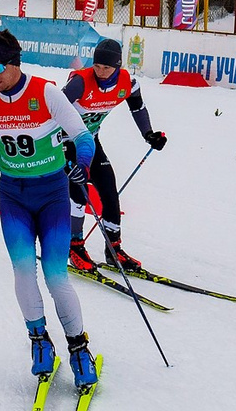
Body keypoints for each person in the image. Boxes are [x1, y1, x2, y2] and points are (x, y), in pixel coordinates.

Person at [0, 26, 98, 392]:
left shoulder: (46, 93)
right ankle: (39, 341)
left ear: (15, 64)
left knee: (55, 274)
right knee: (22, 270)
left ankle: (79, 348)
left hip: (51, 195)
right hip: (13, 195)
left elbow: (83, 136)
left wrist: (83, 164)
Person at [61, 38, 167, 275]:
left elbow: (137, 108)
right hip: (64, 141)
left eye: (106, 68)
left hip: (90, 140)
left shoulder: (127, 83)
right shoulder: (80, 83)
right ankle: (74, 246)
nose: (100, 72)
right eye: (97, 66)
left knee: (108, 189)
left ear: (117, 66)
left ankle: (113, 249)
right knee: (78, 192)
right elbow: (52, 112)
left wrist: (149, 134)